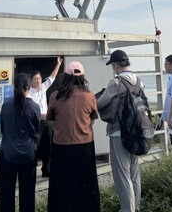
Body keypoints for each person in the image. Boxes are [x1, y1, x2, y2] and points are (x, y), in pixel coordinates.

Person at [46, 61, 100, 212]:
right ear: (82, 77)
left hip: (61, 147)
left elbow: (50, 120)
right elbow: (93, 119)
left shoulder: (55, 96)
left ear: (66, 77)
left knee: (61, 186)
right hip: (85, 146)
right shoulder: (89, 96)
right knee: (85, 185)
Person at [97, 50, 142, 212]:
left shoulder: (116, 82)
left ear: (115, 65)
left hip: (118, 133)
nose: (112, 69)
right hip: (137, 133)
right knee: (134, 173)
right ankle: (135, 208)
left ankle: (127, 209)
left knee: (123, 176)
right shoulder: (138, 81)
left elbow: (100, 103)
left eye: (112, 66)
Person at [0, 73, 40, 212]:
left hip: (7, 154)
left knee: (6, 195)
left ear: (14, 88)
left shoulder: (6, 106)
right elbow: (36, 131)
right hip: (28, 155)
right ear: (29, 87)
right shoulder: (34, 107)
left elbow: (3, 129)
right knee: (27, 195)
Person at [29, 56, 63, 177]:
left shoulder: (43, 87)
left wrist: (58, 64)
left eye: (39, 78)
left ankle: (46, 169)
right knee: (34, 147)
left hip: (47, 123)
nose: (38, 81)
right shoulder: (28, 93)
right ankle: (31, 170)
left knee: (48, 146)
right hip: (35, 123)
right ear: (30, 81)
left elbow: (52, 77)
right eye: (35, 79)